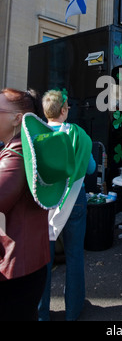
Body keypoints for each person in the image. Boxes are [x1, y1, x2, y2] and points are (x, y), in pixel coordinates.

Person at [38, 89, 95, 321]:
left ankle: (42, 313)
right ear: (63, 110)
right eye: (68, 106)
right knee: (74, 255)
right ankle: (73, 311)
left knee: (43, 259)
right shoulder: (79, 134)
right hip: (75, 201)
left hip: (44, 203)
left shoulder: (35, 135)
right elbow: (90, 169)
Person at [0, 88, 50, 321]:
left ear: (17, 118)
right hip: (29, 260)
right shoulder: (30, 148)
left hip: (16, 265)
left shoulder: (16, 154)